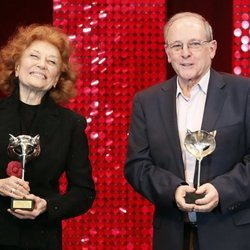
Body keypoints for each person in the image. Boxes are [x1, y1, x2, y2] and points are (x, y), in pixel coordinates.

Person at [124, 12, 250, 250]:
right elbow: (137, 166)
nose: (185, 53)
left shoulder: (244, 93)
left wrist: (220, 190)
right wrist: (173, 191)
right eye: (177, 45)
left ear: (212, 49)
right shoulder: (147, 101)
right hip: (172, 235)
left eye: (194, 44)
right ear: (167, 52)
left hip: (233, 235)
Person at [0, 24, 96, 250]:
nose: (41, 64)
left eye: (51, 62)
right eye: (34, 56)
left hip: (41, 239)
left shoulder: (71, 124)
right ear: (16, 67)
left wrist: (47, 206)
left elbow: (83, 193)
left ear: (56, 79)